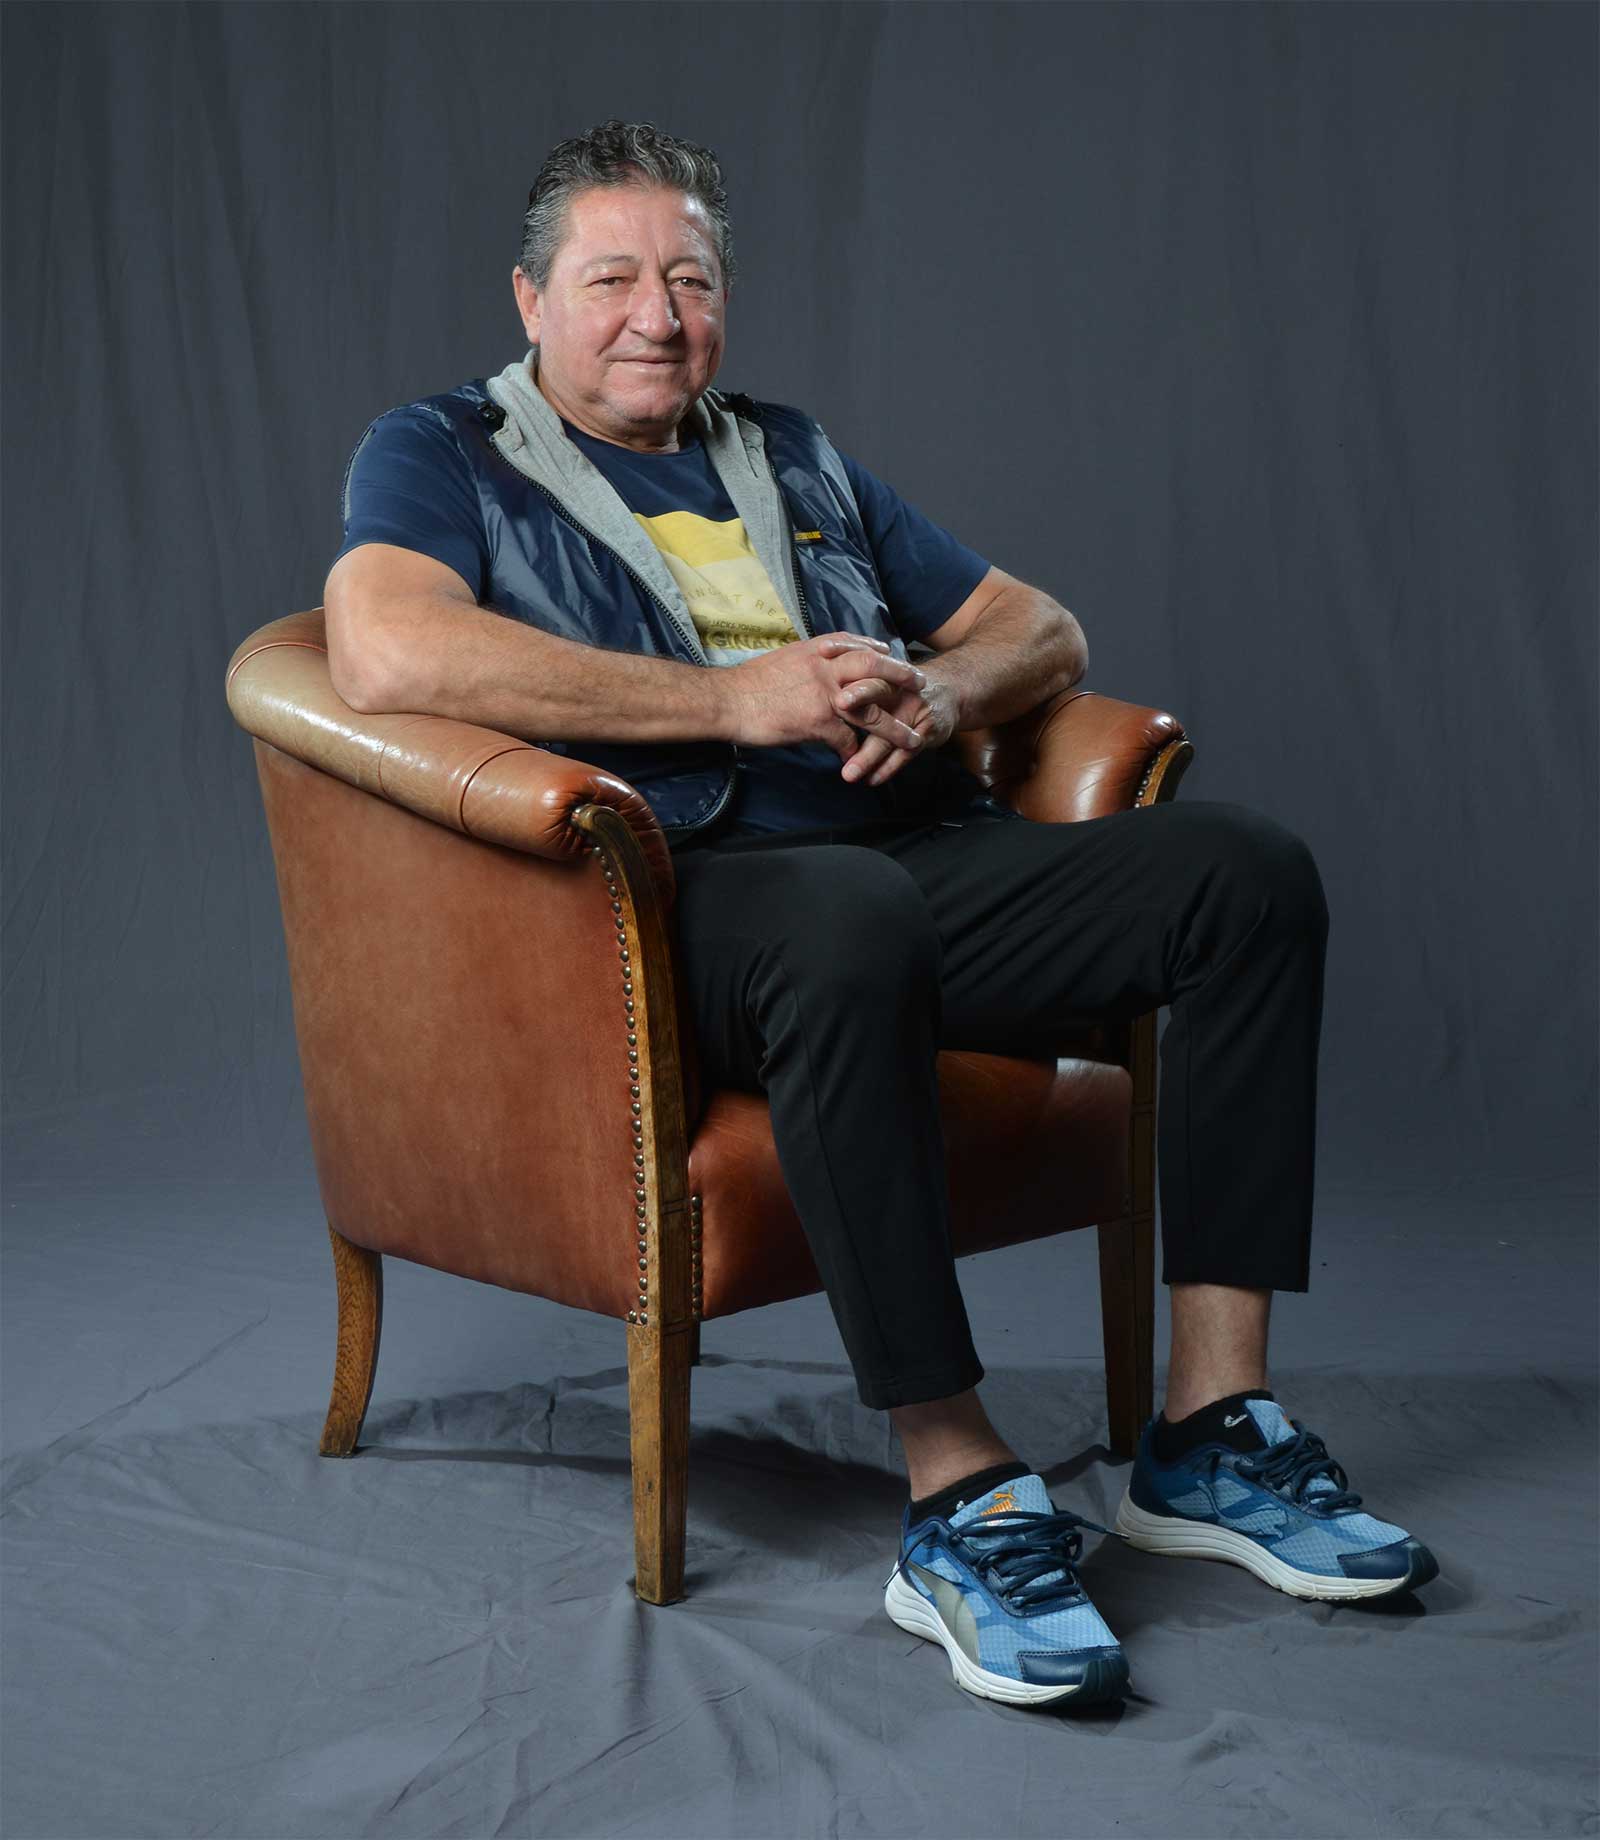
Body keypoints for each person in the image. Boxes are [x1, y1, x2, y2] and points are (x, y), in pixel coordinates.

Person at [322, 118, 1437, 1711]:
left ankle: (1210, 1433)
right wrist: (733, 701)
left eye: (690, 282)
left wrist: (941, 691)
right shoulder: (443, 452)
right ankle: (958, 1490)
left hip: (911, 852)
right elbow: (386, 654)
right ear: (531, 299)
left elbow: (1037, 626)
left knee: (1244, 876)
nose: (657, 317)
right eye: (613, 280)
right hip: (672, 901)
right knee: (845, 917)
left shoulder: (789, 451)